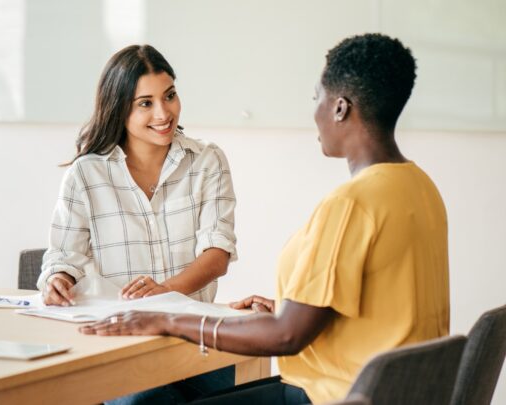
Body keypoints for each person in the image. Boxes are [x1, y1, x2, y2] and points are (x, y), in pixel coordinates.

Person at [79, 33, 450, 405]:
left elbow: (286, 338)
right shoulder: (419, 187)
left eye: (316, 99)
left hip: (335, 395)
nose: (315, 112)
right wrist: (293, 308)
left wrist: (166, 320)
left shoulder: (351, 204)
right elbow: (383, 307)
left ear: (340, 108)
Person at [37, 45, 238, 403]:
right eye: (145, 103)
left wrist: (167, 292)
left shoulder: (207, 160)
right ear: (119, 108)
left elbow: (217, 253)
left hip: (196, 340)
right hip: (122, 341)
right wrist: (59, 279)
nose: (164, 112)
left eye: (170, 96)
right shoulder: (86, 173)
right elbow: (64, 256)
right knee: (140, 401)